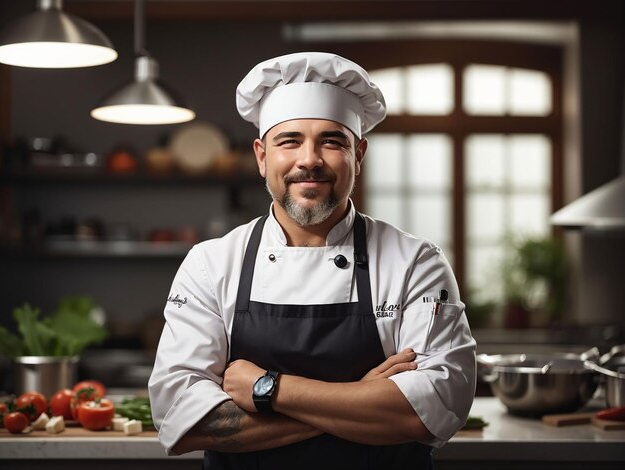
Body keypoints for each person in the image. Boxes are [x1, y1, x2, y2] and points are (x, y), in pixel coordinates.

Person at [148, 52, 476, 469]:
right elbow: (182, 421)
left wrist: (269, 389)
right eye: (289, 141)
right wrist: (360, 395)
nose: (309, 159)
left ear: (358, 155)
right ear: (261, 156)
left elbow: (439, 407)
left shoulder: (415, 262)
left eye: (331, 141)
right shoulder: (211, 265)